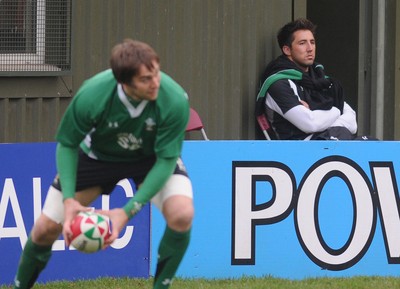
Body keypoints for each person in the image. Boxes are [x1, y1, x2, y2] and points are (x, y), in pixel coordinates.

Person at [13, 39, 194, 289]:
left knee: (182, 214)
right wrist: (68, 201)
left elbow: (165, 161)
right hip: (97, 158)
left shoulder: (173, 99)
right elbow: (67, 145)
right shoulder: (92, 94)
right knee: (44, 229)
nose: (156, 83)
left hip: (150, 158)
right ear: (124, 82)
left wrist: (127, 211)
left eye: (156, 73)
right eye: (145, 79)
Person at [256, 18, 358, 140]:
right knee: (339, 135)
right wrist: (337, 109)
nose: (310, 48)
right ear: (287, 50)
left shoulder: (321, 80)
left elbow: (352, 122)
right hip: (295, 153)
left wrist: (319, 115)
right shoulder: (278, 84)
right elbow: (310, 124)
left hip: (328, 142)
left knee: (370, 142)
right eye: (302, 43)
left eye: (312, 42)